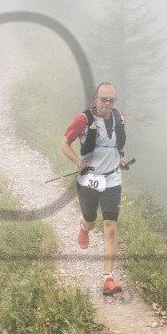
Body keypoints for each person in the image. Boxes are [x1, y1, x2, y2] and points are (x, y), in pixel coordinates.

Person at [59, 82, 129, 295]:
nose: (107, 103)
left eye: (111, 99)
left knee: (110, 227)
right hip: (89, 178)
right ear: (95, 98)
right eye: (103, 99)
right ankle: (84, 228)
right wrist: (79, 163)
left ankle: (108, 279)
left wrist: (121, 158)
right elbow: (64, 144)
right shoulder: (83, 119)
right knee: (91, 219)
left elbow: (119, 143)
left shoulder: (119, 117)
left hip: (112, 180)